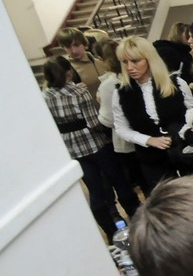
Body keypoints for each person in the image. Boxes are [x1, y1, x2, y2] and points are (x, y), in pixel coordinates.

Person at [42, 56, 139, 241]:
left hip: (73, 149)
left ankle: (111, 232)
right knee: (119, 181)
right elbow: (94, 123)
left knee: (95, 191)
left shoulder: (44, 97)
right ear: (69, 72)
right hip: (96, 144)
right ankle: (136, 217)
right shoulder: (79, 93)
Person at [112, 36, 193, 187]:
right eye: (125, 62)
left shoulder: (177, 83)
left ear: (150, 59)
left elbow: (192, 112)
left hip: (186, 153)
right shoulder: (121, 93)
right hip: (151, 160)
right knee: (166, 198)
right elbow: (121, 128)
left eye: (135, 61)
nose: (129, 67)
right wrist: (148, 140)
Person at [94, 39, 149, 195]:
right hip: (144, 138)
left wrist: (101, 103)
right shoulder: (124, 83)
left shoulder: (109, 85)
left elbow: (108, 120)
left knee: (146, 183)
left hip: (129, 144)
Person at [57, 27, 105, 99]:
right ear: (63, 48)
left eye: (77, 45)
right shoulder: (63, 69)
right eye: (68, 47)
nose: (74, 51)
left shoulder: (100, 62)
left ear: (84, 44)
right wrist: (70, 91)